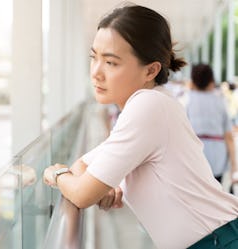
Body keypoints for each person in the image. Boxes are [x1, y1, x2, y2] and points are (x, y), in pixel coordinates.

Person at [43, 4, 238, 249]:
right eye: (94, 58)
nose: (96, 73)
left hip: (219, 240)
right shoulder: (148, 105)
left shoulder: (148, 106)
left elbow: (82, 193)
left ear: (151, 70)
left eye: (111, 63)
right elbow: (83, 165)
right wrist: (101, 183)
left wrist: (55, 173)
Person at [184, 64, 238, 190]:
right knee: (215, 190)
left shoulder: (188, 99)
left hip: (194, 154)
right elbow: (229, 136)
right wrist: (234, 166)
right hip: (217, 155)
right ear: (211, 80)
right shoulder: (220, 101)